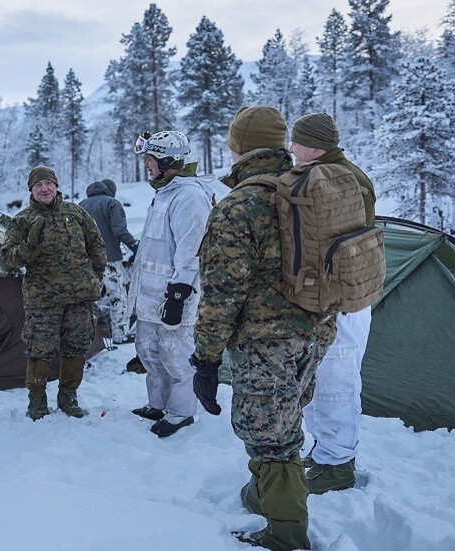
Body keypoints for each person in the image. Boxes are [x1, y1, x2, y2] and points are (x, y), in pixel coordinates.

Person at [191, 106, 337, 551]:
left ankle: (287, 531)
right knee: (278, 420)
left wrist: (206, 358)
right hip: (315, 332)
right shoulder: (310, 190)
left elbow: (221, 294)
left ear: (237, 148)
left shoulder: (240, 205)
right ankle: (263, 494)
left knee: (272, 437)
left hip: (265, 342)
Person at [290, 112, 376, 495]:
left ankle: (338, 464)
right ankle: (326, 451)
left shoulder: (338, 179)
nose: (291, 149)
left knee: (336, 382)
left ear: (313, 145)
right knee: (322, 379)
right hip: (338, 296)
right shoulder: (339, 173)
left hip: (341, 299)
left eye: (296, 142)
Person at [0, 166, 106, 420]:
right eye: (38, 185)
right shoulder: (22, 221)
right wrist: (29, 246)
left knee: (76, 347)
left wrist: (94, 278)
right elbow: (8, 259)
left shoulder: (76, 212)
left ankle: (68, 397)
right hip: (43, 300)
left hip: (79, 298)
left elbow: (97, 246)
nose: (44, 189)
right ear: (31, 190)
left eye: (48, 183)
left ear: (56, 186)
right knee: (39, 350)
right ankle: (37, 401)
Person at [127, 130, 212, 438]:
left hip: (173, 297)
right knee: (149, 350)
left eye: (150, 160)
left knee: (176, 356)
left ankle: (182, 412)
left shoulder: (189, 196)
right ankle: (159, 404)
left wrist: (179, 294)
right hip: (150, 297)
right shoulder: (165, 192)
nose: (146, 165)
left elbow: (191, 251)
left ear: (167, 161)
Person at [79, 178, 138, 344]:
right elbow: (119, 230)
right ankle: (120, 334)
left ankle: (88, 338)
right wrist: (135, 246)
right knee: (118, 296)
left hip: (85, 261)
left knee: (89, 299)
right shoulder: (112, 203)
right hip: (109, 259)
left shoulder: (82, 204)